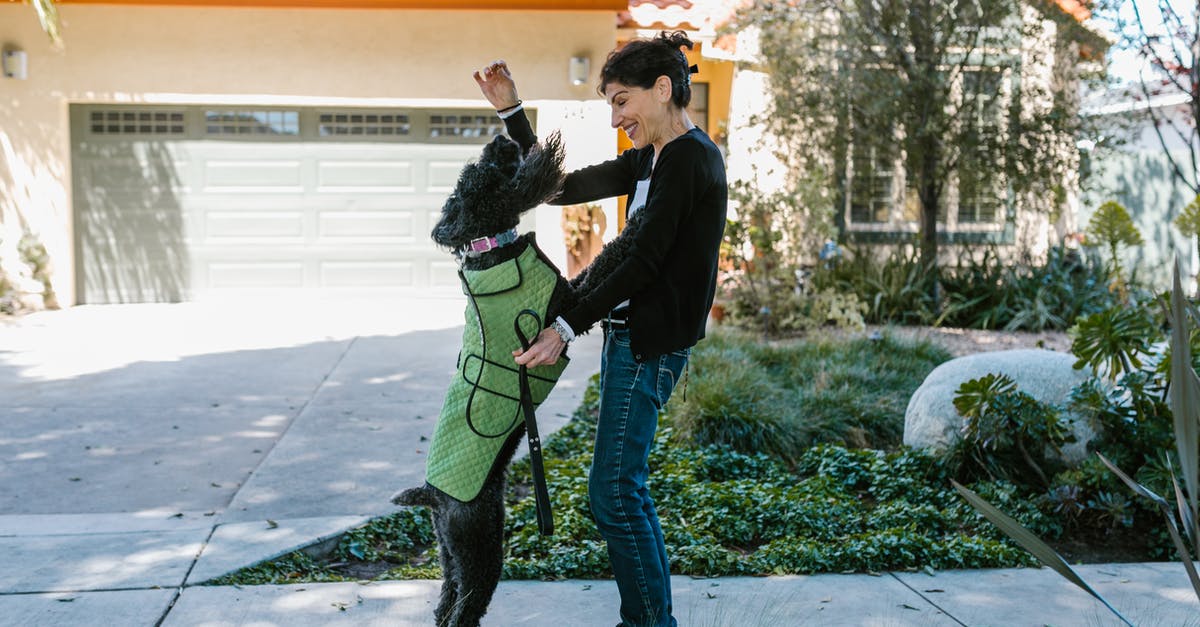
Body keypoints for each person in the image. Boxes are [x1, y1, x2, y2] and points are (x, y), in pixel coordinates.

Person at [474, 30, 727, 627]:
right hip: (630, 341)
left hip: (649, 347)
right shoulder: (653, 158)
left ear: (662, 89)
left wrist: (564, 326)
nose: (616, 117)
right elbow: (561, 188)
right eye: (610, 103)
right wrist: (512, 111)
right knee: (624, 491)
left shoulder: (691, 158)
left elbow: (643, 260)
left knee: (614, 493)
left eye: (621, 100)